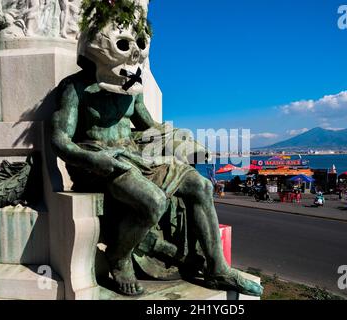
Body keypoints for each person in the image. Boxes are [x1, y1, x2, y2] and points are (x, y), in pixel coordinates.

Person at [51, 0, 262, 298]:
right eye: (123, 44)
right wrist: (91, 157)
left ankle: (218, 269)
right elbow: (60, 139)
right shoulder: (75, 88)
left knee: (201, 186)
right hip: (102, 162)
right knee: (153, 202)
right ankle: (119, 258)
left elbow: (149, 126)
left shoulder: (131, 88)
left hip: (135, 156)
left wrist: (181, 139)